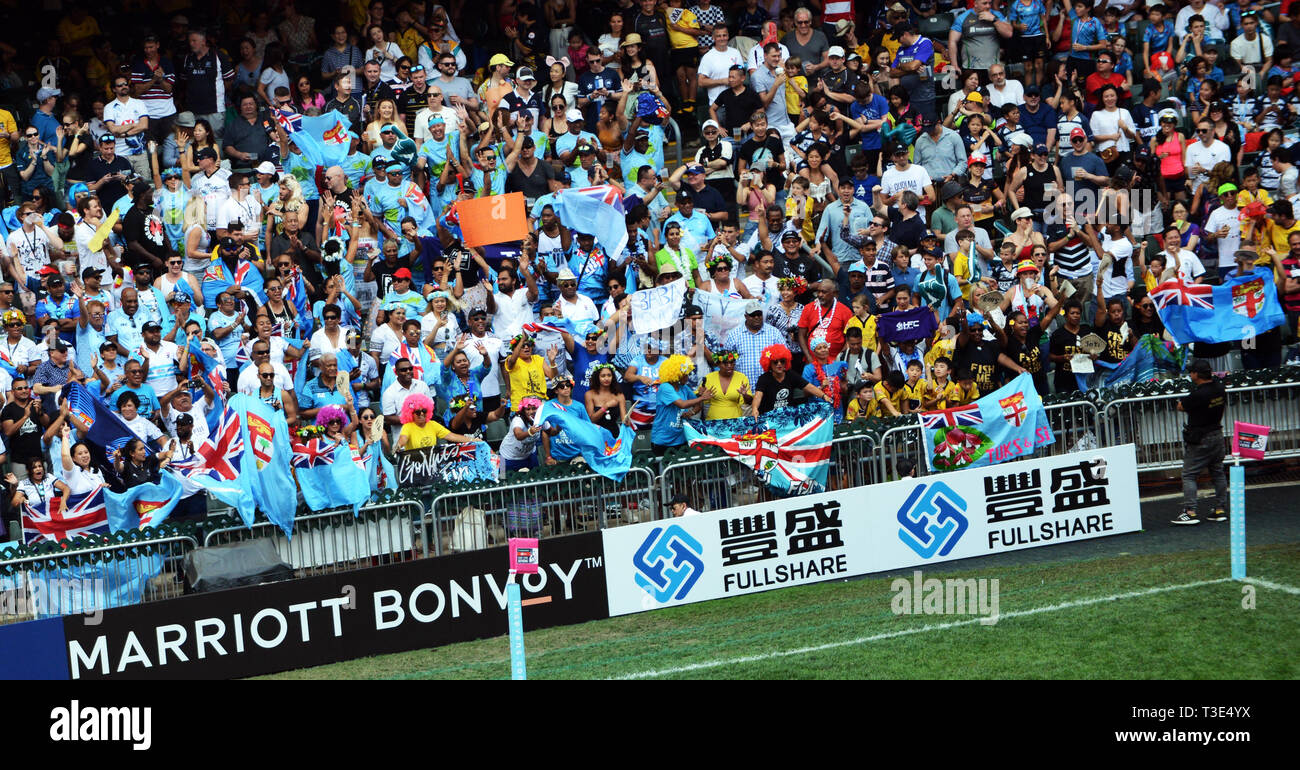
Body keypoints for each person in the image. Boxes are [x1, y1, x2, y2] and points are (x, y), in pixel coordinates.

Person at [1173, 359, 1228, 525]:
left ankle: (1190, 511)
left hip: (1200, 438)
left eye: (1191, 372)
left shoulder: (1198, 394)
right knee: (1217, 472)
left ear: (1196, 374)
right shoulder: (1219, 388)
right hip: (1217, 435)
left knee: (1189, 474)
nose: (1190, 375)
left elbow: (1181, 406)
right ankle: (1220, 509)